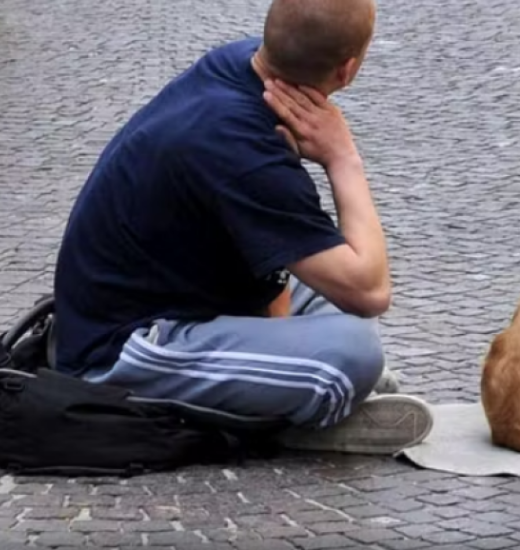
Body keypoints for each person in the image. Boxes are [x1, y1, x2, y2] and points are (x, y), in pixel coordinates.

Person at [51, 0, 433, 455]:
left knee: (333, 286)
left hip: (180, 295)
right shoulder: (242, 144)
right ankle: (284, 419)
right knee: (355, 352)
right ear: (347, 69)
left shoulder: (241, 66)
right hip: (117, 350)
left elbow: (274, 250)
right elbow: (371, 292)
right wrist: (343, 158)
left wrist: (284, 337)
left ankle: (287, 384)